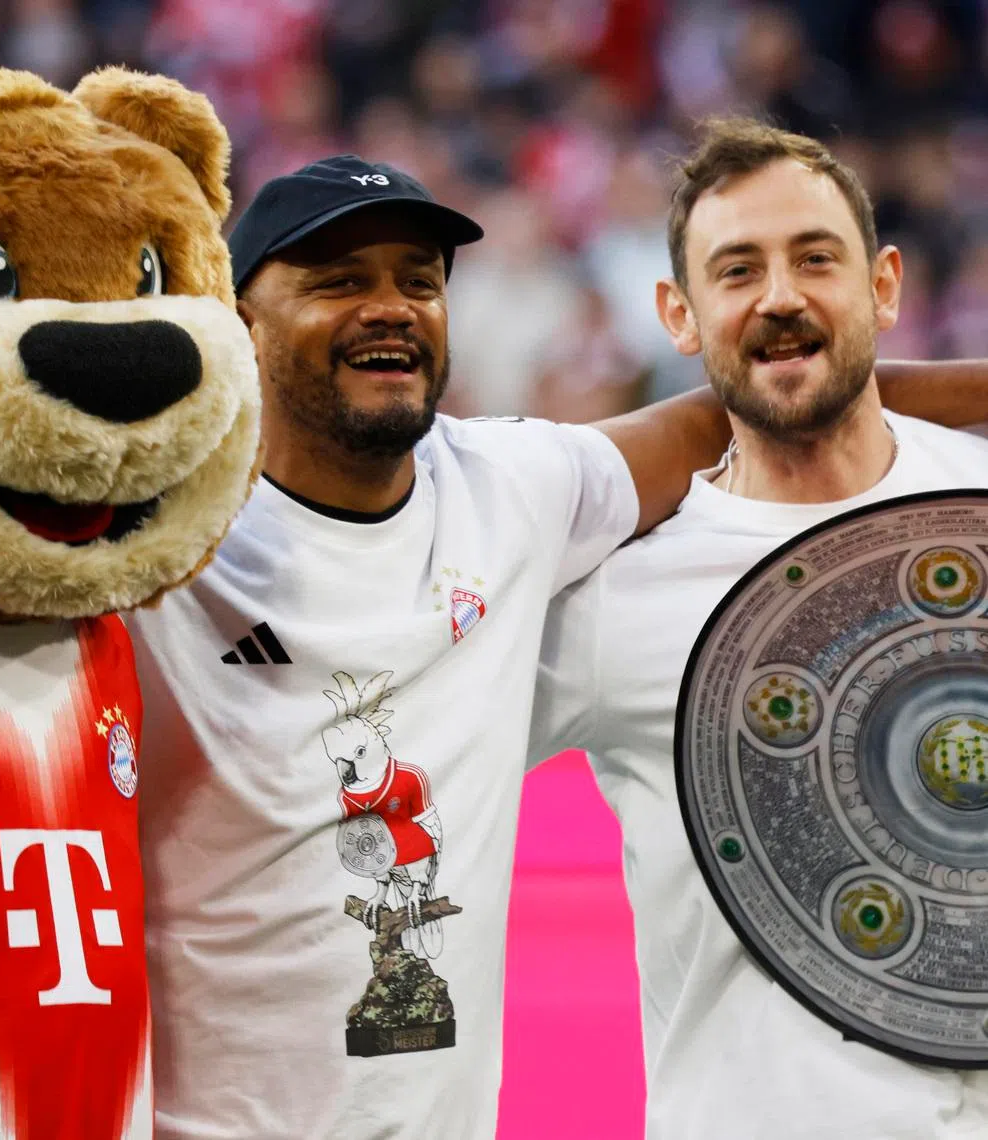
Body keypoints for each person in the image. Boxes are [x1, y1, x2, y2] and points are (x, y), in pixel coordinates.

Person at [128, 153, 988, 1140]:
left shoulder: (512, 487)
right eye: (338, 281)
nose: (390, 307)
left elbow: (742, 399)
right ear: (237, 320)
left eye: (418, 280)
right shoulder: (155, 546)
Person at [531, 119, 988, 1140]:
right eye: (737, 270)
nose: (780, 295)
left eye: (815, 258)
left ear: (885, 286)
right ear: (680, 317)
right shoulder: (615, 604)